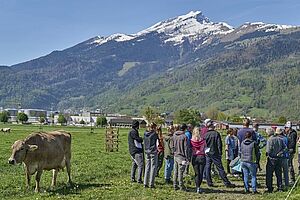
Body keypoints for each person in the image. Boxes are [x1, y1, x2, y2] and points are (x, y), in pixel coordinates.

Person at [204, 119, 235, 188]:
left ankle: (209, 182)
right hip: (215, 153)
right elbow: (219, 144)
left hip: (208, 153)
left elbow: (204, 145)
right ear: (212, 126)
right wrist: (220, 153)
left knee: (207, 168)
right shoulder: (216, 134)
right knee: (220, 168)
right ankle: (226, 183)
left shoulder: (205, 135)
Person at [265, 127, 286, 192]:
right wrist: (280, 153)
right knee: (278, 174)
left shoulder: (270, 140)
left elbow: (268, 150)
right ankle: (280, 187)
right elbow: (285, 148)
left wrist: (267, 154)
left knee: (269, 174)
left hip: (271, 159)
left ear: (268, 133)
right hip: (279, 158)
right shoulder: (280, 139)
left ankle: (270, 188)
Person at [173, 123, 189, 191]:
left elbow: (173, 145)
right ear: (185, 129)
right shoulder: (184, 136)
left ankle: (174, 185)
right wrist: (187, 157)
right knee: (181, 172)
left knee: (175, 171)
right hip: (182, 156)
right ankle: (181, 186)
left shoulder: (174, 135)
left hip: (175, 155)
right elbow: (186, 148)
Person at [191, 127, 206, 193]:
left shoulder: (191, 140)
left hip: (194, 157)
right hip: (202, 156)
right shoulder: (203, 140)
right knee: (201, 173)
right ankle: (199, 186)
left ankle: (197, 187)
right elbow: (205, 147)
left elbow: (190, 148)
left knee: (196, 173)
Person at [143, 123, 159, 188]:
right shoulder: (154, 134)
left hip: (147, 151)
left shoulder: (145, 133)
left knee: (147, 167)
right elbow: (158, 141)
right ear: (154, 127)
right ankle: (151, 183)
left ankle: (145, 182)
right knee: (153, 167)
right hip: (153, 151)